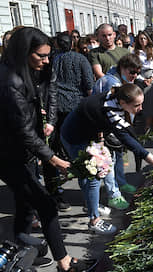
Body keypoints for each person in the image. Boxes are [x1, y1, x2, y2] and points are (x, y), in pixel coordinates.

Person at [0, 27, 94, 272]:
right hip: (8, 155)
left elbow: (28, 115)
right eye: (41, 56)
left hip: (19, 152)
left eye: (47, 55)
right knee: (46, 204)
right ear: (24, 52)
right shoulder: (11, 80)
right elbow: (23, 131)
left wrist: (39, 115)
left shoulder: (22, 73)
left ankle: (18, 252)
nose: (46, 60)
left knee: (25, 204)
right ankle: (64, 262)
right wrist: (53, 158)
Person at [61, 83, 153, 230]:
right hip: (75, 137)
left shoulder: (117, 95)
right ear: (124, 103)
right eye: (137, 105)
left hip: (87, 133)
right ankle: (94, 220)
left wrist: (100, 142)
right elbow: (137, 148)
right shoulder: (109, 111)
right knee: (93, 177)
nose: (140, 109)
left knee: (89, 176)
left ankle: (91, 204)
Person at [43, 32, 95, 211]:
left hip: (56, 109)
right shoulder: (81, 59)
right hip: (76, 109)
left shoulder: (52, 60)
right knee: (81, 151)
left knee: (55, 151)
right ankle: (88, 198)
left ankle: (56, 191)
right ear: (72, 43)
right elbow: (89, 86)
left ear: (57, 44)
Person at [92, 54, 142, 211]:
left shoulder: (120, 79)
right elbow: (109, 111)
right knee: (109, 160)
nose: (134, 76)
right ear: (123, 68)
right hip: (103, 126)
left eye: (137, 72)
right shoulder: (112, 83)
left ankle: (121, 182)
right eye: (132, 72)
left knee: (118, 154)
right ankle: (113, 194)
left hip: (112, 124)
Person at [134, 31, 153, 131]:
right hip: (141, 77)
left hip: (152, 77)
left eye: (144, 38)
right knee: (144, 102)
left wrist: (152, 78)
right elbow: (134, 68)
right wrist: (142, 79)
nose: (143, 41)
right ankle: (147, 124)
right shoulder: (135, 52)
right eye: (140, 39)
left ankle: (152, 123)